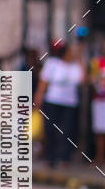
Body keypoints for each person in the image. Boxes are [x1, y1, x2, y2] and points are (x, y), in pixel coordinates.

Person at [34, 40, 84, 168]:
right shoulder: (52, 63)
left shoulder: (75, 66)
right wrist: (38, 97)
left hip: (70, 103)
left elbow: (83, 80)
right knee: (50, 129)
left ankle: (64, 157)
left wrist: (80, 60)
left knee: (66, 130)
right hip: (52, 101)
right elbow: (43, 82)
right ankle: (50, 156)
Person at [89, 40, 105, 165]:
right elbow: (93, 81)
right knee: (100, 130)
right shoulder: (96, 62)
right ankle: (99, 157)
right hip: (100, 101)